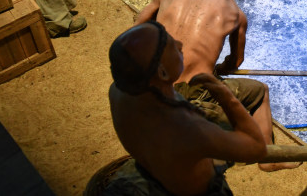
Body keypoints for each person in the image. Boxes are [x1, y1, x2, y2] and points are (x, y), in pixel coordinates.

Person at [134, 0, 300, 172]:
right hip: (190, 91)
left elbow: (137, 27)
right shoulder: (235, 12)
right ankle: (267, 158)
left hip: (153, 80)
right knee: (261, 92)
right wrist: (220, 68)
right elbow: (235, 62)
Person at [108, 22, 267, 195]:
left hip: (154, 169)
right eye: (171, 46)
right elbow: (257, 148)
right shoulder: (186, 127)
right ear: (162, 73)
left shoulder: (117, 91)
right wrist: (225, 95)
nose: (180, 44)